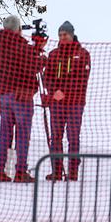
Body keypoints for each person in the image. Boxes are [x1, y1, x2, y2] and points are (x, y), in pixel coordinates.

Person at [0, 15, 47, 183]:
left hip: (5, 97)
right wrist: (41, 55)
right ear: (18, 29)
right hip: (22, 97)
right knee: (22, 135)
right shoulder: (23, 47)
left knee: (4, 135)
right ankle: (20, 172)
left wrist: (4, 84)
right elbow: (34, 67)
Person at [42, 20, 91, 181]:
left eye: (65, 34)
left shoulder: (83, 54)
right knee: (56, 136)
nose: (62, 37)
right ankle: (56, 170)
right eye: (60, 35)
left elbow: (80, 79)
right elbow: (47, 77)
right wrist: (53, 92)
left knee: (73, 136)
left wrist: (62, 91)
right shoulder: (54, 54)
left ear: (71, 35)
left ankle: (73, 171)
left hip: (75, 103)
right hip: (57, 104)